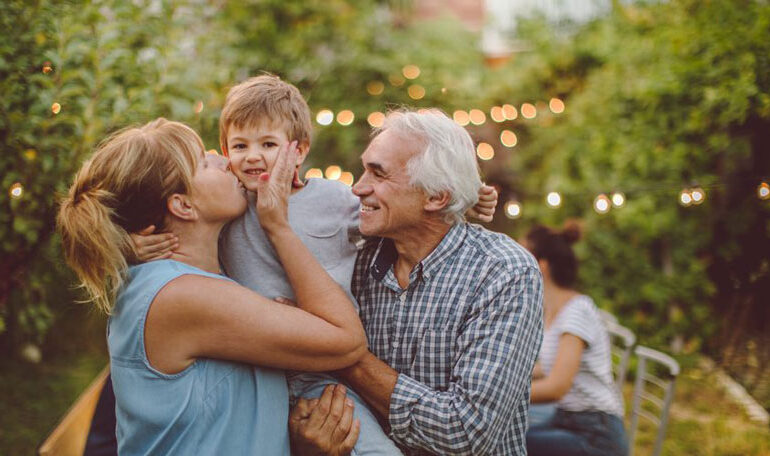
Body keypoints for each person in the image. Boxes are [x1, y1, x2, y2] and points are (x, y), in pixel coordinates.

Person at [132, 76, 498, 455]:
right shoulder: (231, 204)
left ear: (299, 150)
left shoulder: (333, 200)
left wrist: (462, 199)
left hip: (323, 372)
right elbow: (173, 221)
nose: (253, 156)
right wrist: (131, 243)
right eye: (239, 146)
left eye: (268, 145)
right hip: (259, 366)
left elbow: (395, 208)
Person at [57, 118, 366, 455]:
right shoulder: (181, 296)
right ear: (183, 206)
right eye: (204, 162)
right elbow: (346, 341)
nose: (225, 160)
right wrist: (277, 226)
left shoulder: (170, 281)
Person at [301, 109, 544, 455]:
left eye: (378, 174)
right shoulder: (353, 258)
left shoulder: (503, 273)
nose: (358, 187)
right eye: (364, 168)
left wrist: (340, 351)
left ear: (435, 197)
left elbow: (466, 431)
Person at [523, 223, 628, 456]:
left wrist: (499, 394)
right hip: (568, 420)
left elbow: (557, 387)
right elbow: (548, 367)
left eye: (521, 254)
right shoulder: (552, 310)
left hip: (596, 434)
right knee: (508, 432)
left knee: (505, 444)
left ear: (541, 265)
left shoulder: (576, 311)